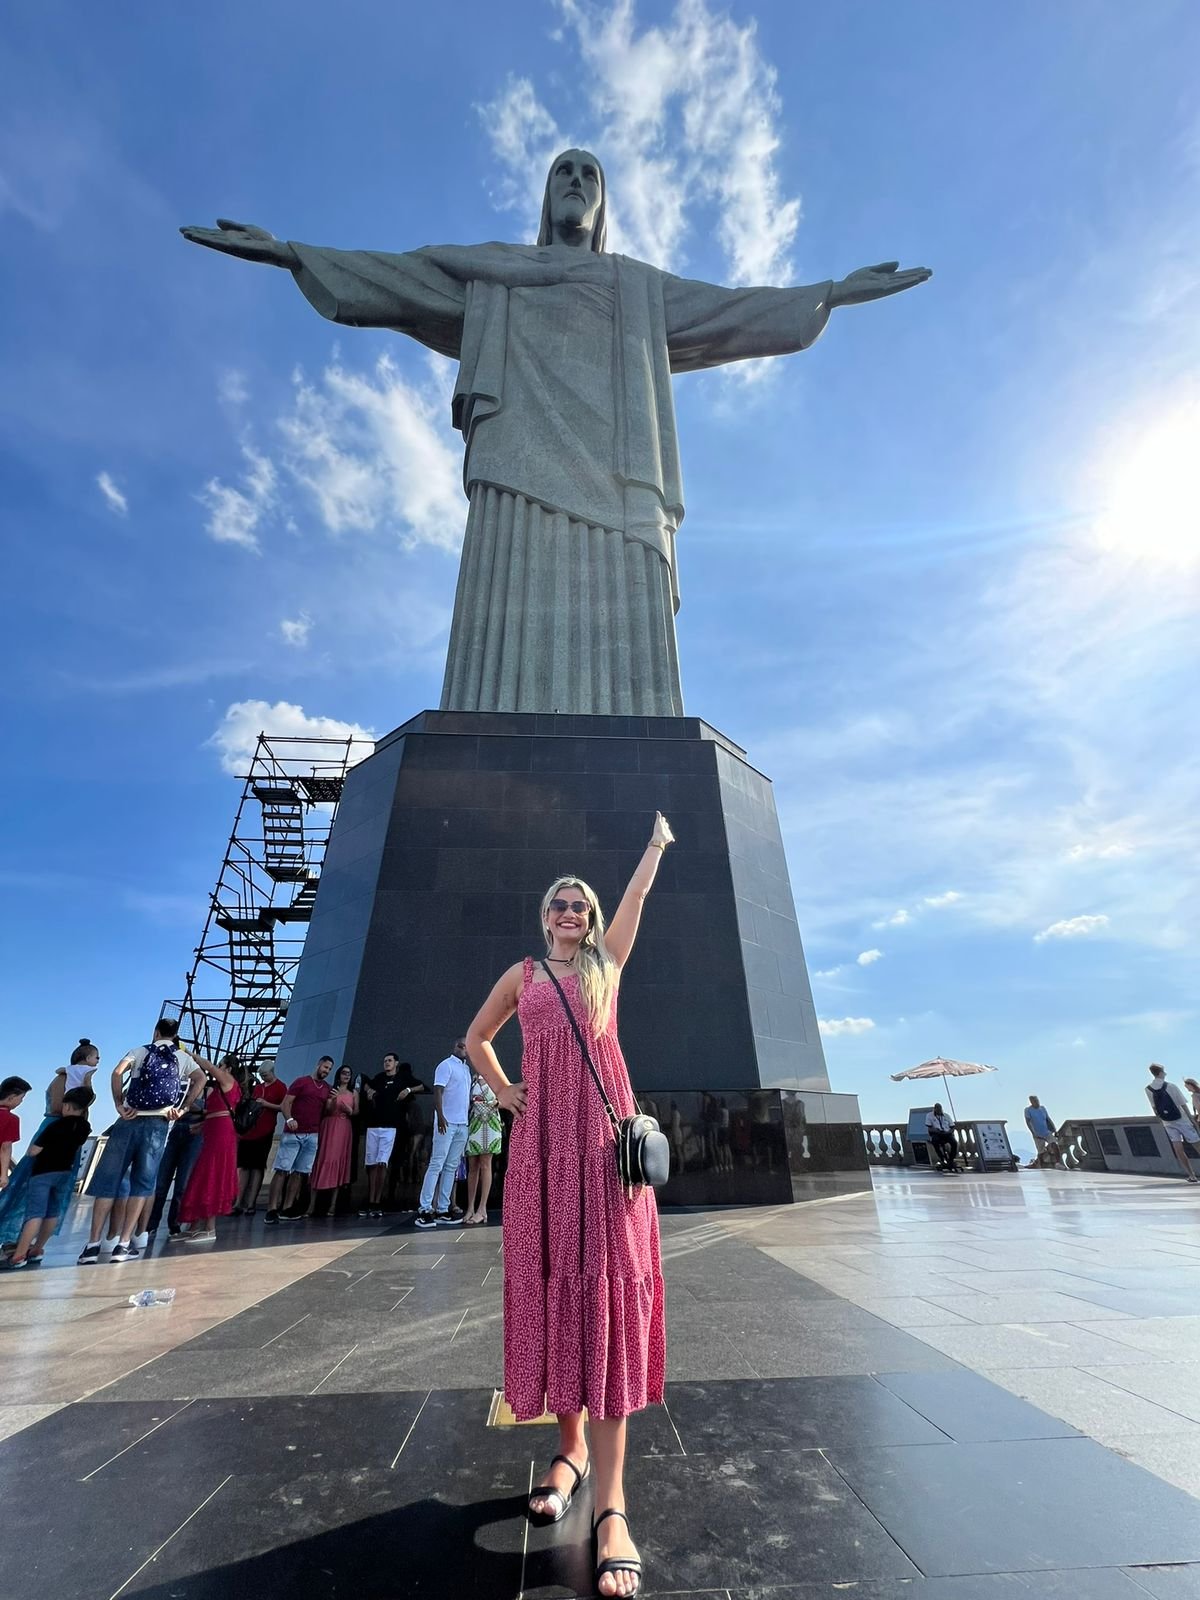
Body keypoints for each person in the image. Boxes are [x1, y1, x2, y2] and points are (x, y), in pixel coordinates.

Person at [182, 158, 929, 724]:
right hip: (516, 468)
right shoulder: (493, 275)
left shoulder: (638, 286)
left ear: (602, 201)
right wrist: (289, 253)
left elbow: (729, 310)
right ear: (546, 197)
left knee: (630, 639)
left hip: (620, 476)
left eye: (587, 174)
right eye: (562, 173)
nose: (574, 181)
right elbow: (396, 278)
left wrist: (827, 292)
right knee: (502, 622)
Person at [465, 811, 675, 1599]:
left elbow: (635, 903)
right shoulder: (523, 976)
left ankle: (612, 1504)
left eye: (578, 905)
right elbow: (477, 1037)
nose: (569, 913)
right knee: (556, 1286)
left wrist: (653, 848)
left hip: (602, 1151)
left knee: (609, 1295)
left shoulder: (605, 967)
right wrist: (508, 1093)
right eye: (558, 904)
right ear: (542, 916)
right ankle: (569, 1449)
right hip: (542, 1153)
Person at [78, 1020, 209, 1265]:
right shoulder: (181, 1057)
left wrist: (119, 1103)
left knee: (109, 1182)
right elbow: (200, 1079)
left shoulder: (139, 1051)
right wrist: (184, 1107)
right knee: (143, 1183)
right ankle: (124, 1243)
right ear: (175, 1036)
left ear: (156, 1032)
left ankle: (93, 1245)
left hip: (128, 1120)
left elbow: (117, 1072)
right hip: (158, 1123)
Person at [0, 1043, 97, 1250]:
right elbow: (63, 1105)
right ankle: (35, 1247)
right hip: (62, 1150)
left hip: (48, 1144)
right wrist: (87, 1083)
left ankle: (19, 1245)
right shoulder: (79, 1121)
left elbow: (29, 1150)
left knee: (29, 1192)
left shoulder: (63, 1078)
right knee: (53, 1201)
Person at [3, 1089, 94, 1268]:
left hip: (43, 1173)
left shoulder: (55, 1126)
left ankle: (19, 1256)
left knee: (35, 1213)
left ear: (67, 1106)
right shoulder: (84, 1127)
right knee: (52, 1212)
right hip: (64, 1174)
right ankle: (38, 1249)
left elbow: (33, 1151)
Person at [175, 1057, 242, 1242]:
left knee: (212, 1174)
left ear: (227, 1067)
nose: (218, 1067)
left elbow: (210, 1067)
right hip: (213, 1131)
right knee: (202, 1175)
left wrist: (190, 1054)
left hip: (221, 1135)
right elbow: (214, 1113)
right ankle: (195, 1225)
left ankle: (209, 1228)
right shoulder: (219, 1089)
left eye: (222, 1065)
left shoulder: (229, 1081)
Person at [265, 1056, 333, 1223]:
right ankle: (272, 1208)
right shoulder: (302, 1082)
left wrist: (332, 1100)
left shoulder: (326, 1088)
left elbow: (327, 1111)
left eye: (329, 1069)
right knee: (282, 1169)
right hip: (293, 1133)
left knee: (300, 1172)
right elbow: (286, 1103)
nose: (326, 1071)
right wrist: (289, 1119)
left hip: (312, 1134)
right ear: (318, 1064)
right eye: (325, 1067)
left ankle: (287, 1207)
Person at [413, 1040, 472, 1229]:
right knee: (437, 1163)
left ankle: (443, 1208)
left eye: (466, 1046)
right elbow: (438, 1091)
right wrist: (440, 1117)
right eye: (460, 1045)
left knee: (451, 1166)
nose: (464, 1048)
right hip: (446, 1123)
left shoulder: (466, 1069)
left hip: (462, 1124)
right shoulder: (445, 1065)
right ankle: (425, 1208)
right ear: (454, 1047)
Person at [360, 1053, 413, 1218]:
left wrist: (408, 1090)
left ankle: (378, 1201)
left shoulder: (402, 1079)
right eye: (384, 1061)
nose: (386, 1063)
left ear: (396, 1063)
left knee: (383, 1162)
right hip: (374, 1126)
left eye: (389, 1061)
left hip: (390, 1127)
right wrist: (369, 1090)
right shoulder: (379, 1078)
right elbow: (364, 1081)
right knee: (372, 1163)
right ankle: (371, 1200)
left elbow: (423, 1087)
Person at [234, 1062, 287, 1215]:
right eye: (262, 1076)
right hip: (250, 1130)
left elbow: (284, 1107)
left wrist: (266, 1104)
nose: (264, 1078)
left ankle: (251, 1203)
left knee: (257, 1167)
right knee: (243, 1166)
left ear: (272, 1072)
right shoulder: (258, 1088)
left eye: (266, 1075)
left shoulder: (280, 1087)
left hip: (265, 1131)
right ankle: (239, 1202)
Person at [309, 1066, 358, 1216]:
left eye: (349, 1074)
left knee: (338, 1161)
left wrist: (349, 1110)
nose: (347, 1076)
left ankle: (333, 1204)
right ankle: (312, 1204)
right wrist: (333, 1100)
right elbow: (327, 1110)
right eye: (344, 1073)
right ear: (339, 1075)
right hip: (330, 1125)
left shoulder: (354, 1093)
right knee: (322, 1158)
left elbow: (356, 1112)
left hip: (344, 1127)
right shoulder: (331, 1090)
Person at [1144, 1064, 1200, 1183]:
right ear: (1160, 1073)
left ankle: (1191, 1175)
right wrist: (1192, 1120)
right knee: (1197, 1145)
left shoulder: (1148, 1089)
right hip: (1181, 1120)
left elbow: (1154, 1108)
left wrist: (1163, 1121)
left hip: (1167, 1122)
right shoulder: (1171, 1086)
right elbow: (1183, 1104)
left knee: (1178, 1149)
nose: (1165, 1073)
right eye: (1164, 1071)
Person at [463, 1067, 501, 1225]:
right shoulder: (472, 1080)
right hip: (474, 1124)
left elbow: (503, 1099)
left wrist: (494, 1103)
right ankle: (470, 1207)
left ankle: (482, 1209)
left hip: (491, 1125)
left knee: (486, 1164)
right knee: (473, 1166)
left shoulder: (496, 1078)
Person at [0, 1077, 32, 1193]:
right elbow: (5, 1147)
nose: (21, 1102)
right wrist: (4, 1175)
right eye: (21, 1098)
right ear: (11, 1097)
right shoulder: (11, 1119)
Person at [1024, 1096, 1062, 1167]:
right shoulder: (1028, 1110)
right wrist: (1033, 1133)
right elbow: (1028, 1122)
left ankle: (1058, 1163)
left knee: (1054, 1144)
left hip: (1047, 1132)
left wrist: (1055, 1130)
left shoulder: (1042, 1108)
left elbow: (1048, 1119)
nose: (1036, 1102)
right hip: (1037, 1133)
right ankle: (1041, 1166)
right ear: (1031, 1102)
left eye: (1037, 1100)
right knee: (1041, 1151)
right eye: (1034, 1101)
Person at [925, 1104, 958, 1172]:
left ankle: (951, 1159)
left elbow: (952, 1127)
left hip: (946, 1133)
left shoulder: (946, 1116)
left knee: (954, 1143)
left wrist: (949, 1132)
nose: (939, 1111)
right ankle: (941, 1158)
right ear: (935, 1109)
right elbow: (929, 1128)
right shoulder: (929, 1116)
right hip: (937, 1133)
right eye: (937, 1110)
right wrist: (936, 1131)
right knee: (935, 1141)